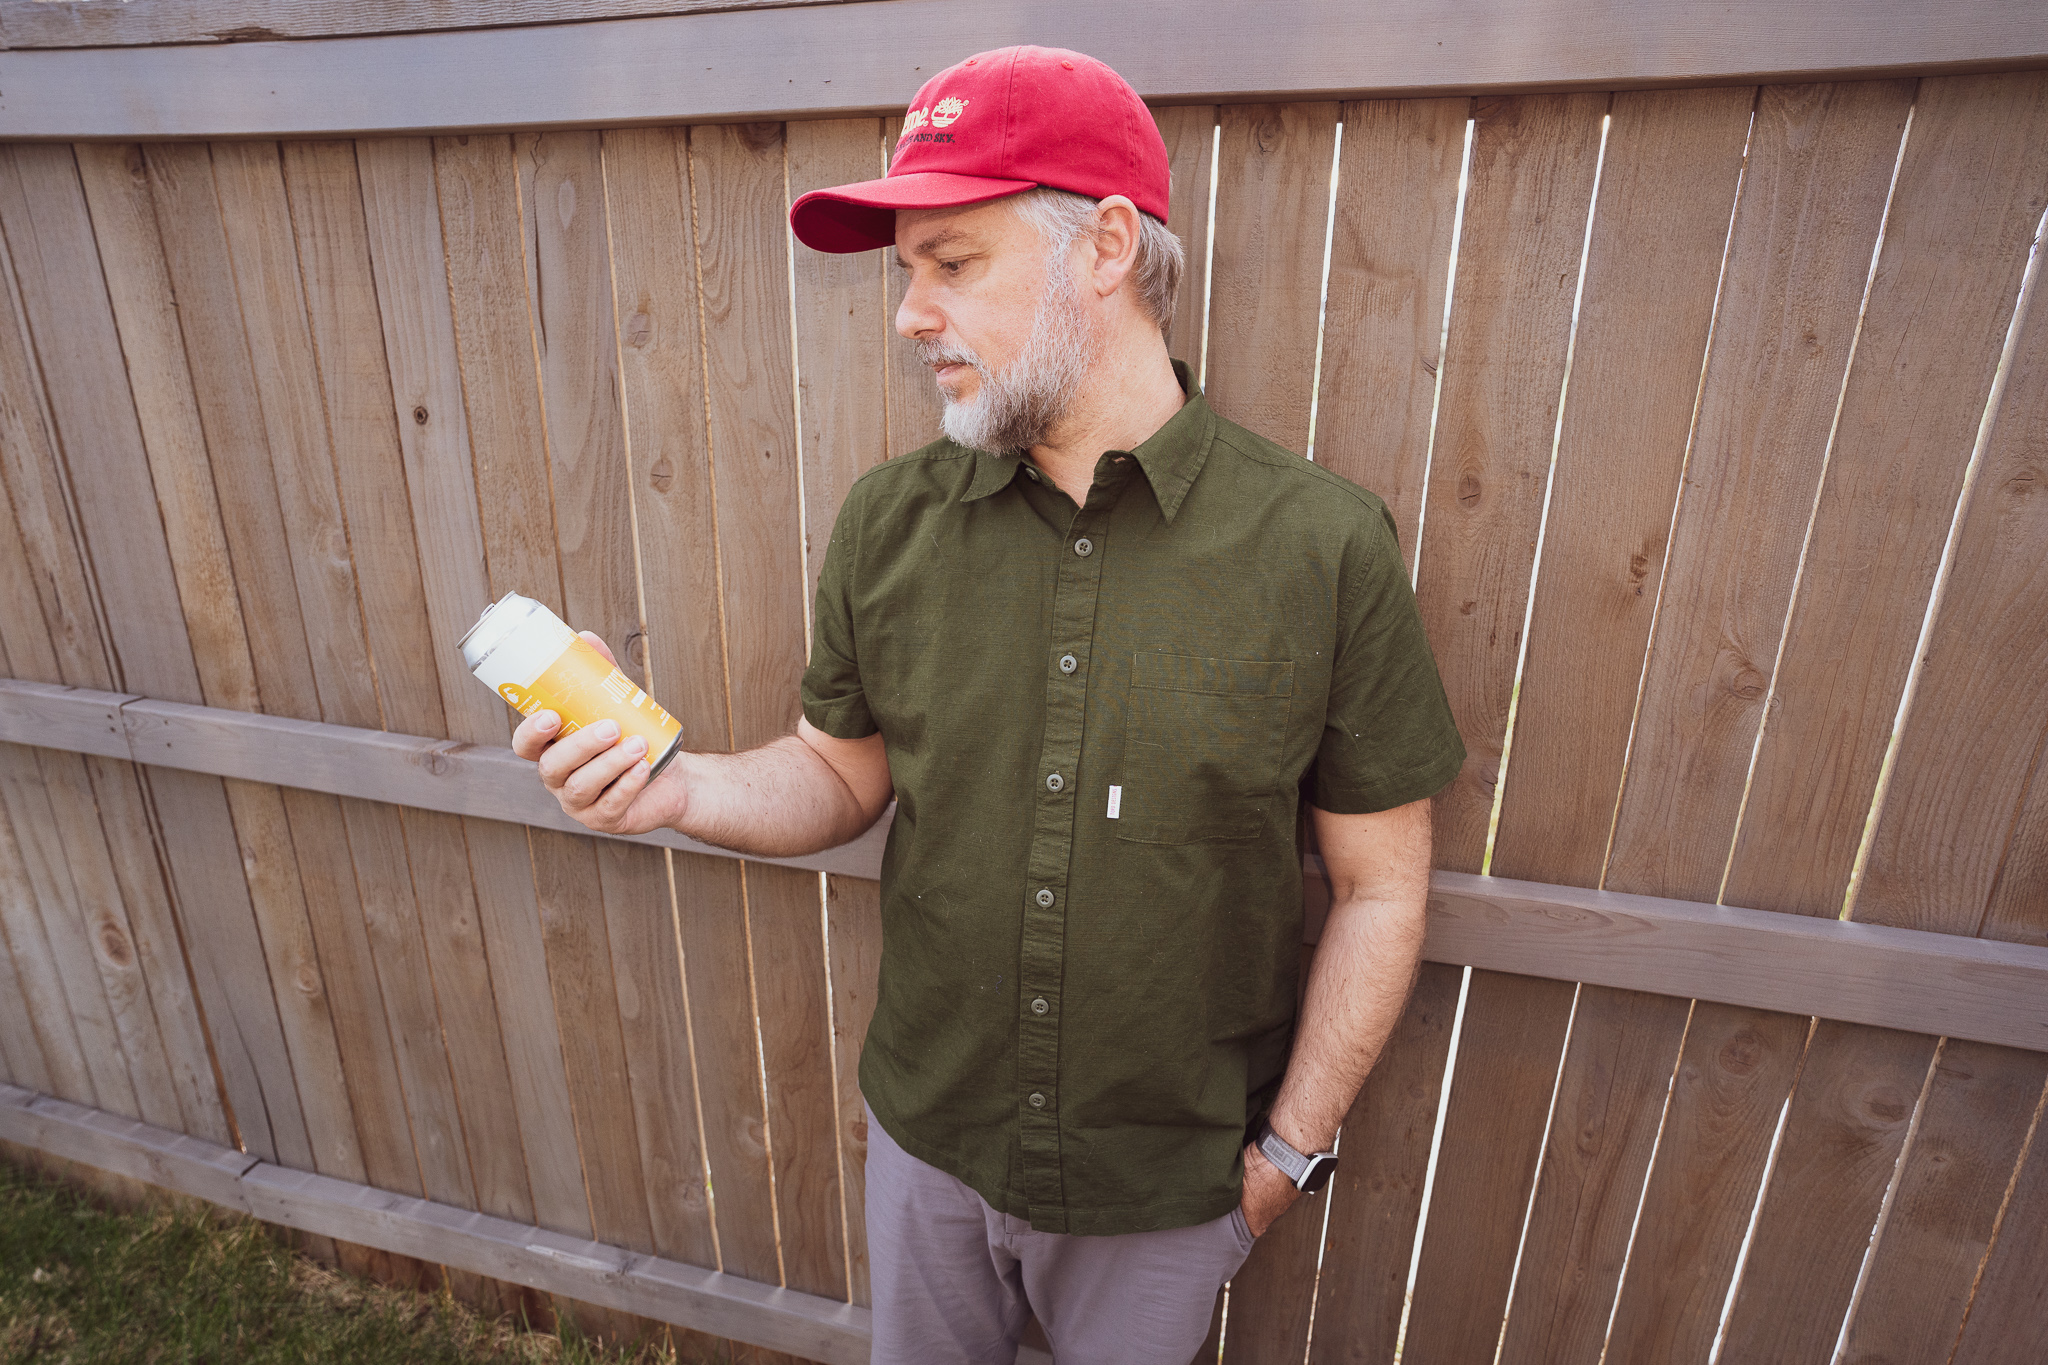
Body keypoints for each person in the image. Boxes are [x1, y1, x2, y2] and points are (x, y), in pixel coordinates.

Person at [512, 44, 1465, 1365]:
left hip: (1166, 1192)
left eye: (952, 262)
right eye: (907, 271)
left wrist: (1285, 1159)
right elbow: (836, 773)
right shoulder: (891, 524)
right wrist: (678, 787)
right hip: (929, 1153)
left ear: (1107, 246)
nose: (911, 313)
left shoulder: (1320, 547)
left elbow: (1381, 888)